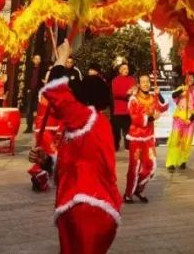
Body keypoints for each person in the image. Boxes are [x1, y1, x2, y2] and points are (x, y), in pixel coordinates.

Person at [28, 40, 121, 254]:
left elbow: (55, 92)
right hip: (81, 208)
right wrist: (46, 161)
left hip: (88, 209)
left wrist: (61, 58)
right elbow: (71, 165)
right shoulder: (87, 125)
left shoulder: (87, 117)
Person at [124, 73, 165, 203]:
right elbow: (135, 118)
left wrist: (159, 94)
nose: (146, 84)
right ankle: (128, 193)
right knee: (134, 167)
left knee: (151, 166)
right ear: (138, 84)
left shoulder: (153, 97)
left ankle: (138, 188)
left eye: (148, 81)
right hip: (136, 138)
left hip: (149, 138)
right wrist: (151, 118)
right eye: (143, 82)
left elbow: (163, 107)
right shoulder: (133, 100)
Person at [28, 69, 63, 192]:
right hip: (45, 130)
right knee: (52, 155)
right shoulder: (46, 94)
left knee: (49, 156)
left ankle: (41, 176)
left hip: (53, 129)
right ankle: (40, 176)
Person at [165, 71, 194, 172]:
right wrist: (182, 90)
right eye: (188, 77)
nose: (190, 79)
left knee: (186, 142)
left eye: (192, 78)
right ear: (185, 78)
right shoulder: (181, 88)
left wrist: (190, 120)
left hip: (190, 122)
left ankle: (182, 160)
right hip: (178, 119)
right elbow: (173, 96)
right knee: (175, 141)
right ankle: (171, 163)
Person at [109, 61, 135, 150]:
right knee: (116, 131)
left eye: (127, 69)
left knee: (128, 130)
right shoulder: (115, 80)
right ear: (119, 70)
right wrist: (127, 94)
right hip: (118, 110)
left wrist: (132, 93)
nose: (126, 70)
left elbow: (134, 91)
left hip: (129, 110)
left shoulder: (131, 79)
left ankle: (129, 147)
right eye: (124, 69)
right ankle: (115, 147)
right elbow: (115, 93)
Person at [23, 53, 45, 133]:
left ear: (40, 60)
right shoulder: (29, 69)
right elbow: (26, 79)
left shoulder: (42, 69)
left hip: (38, 91)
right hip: (30, 91)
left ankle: (38, 126)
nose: (37, 60)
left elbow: (43, 80)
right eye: (36, 58)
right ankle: (29, 127)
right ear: (33, 60)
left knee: (37, 109)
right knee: (29, 109)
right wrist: (27, 89)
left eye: (39, 59)